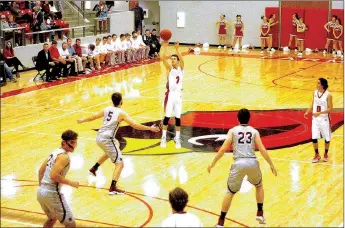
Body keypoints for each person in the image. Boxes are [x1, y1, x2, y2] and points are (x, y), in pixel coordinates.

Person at [77, 92, 159, 194]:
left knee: (115, 147)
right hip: (107, 139)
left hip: (99, 137)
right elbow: (135, 125)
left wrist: (81, 120)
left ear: (112, 101)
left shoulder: (106, 109)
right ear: (121, 101)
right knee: (120, 164)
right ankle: (113, 188)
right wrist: (149, 128)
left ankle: (93, 168)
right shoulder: (121, 113)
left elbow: (93, 117)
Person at [207, 108, 277, 226]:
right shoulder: (254, 131)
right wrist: (271, 164)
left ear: (237, 119)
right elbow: (262, 149)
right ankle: (260, 213)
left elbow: (223, 148)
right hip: (252, 162)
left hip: (238, 163)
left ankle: (220, 222)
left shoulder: (232, 131)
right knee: (259, 186)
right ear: (249, 119)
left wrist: (213, 163)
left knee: (230, 192)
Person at [37, 130, 79, 228]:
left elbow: (40, 171)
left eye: (75, 142)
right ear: (64, 142)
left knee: (52, 218)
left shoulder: (55, 152)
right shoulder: (64, 157)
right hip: (52, 193)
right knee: (70, 224)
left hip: (41, 192)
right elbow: (54, 176)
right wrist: (71, 183)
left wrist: (42, 187)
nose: (75, 145)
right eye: (72, 142)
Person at [160, 41, 184, 149]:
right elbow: (163, 58)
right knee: (167, 117)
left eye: (175, 59)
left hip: (178, 96)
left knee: (178, 118)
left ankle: (177, 138)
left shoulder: (181, 69)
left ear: (178, 61)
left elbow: (182, 60)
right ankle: (163, 137)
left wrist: (177, 50)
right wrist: (164, 47)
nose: (173, 60)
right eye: (172, 59)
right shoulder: (170, 69)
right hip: (170, 95)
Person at [304, 78, 333, 163]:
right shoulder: (315, 93)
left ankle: (326, 153)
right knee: (314, 137)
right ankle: (317, 154)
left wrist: (319, 113)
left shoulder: (328, 95)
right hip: (315, 119)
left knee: (327, 137)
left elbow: (330, 109)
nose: (316, 84)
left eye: (318, 83)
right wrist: (307, 112)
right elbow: (312, 104)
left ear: (322, 85)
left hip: (324, 119)